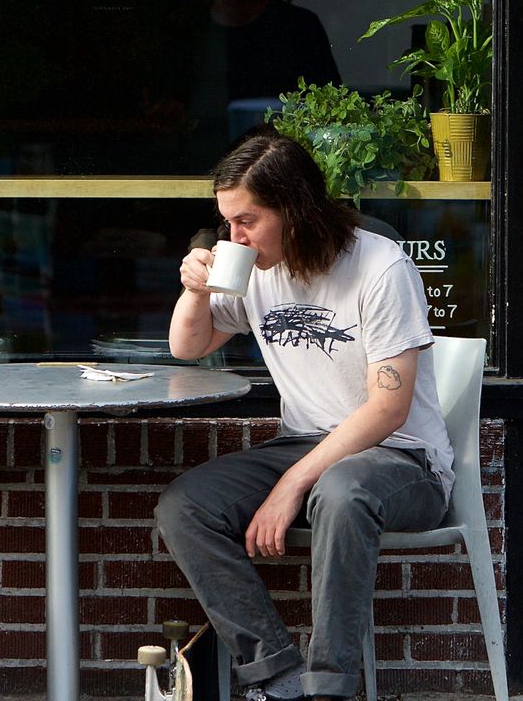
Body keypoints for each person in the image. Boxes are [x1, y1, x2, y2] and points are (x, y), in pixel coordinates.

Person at [155, 132, 453, 701]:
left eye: (247, 221)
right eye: (227, 224)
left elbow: (388, 409)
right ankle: (276, 676)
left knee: (341, 492)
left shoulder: (379, 264)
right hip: (306, 442)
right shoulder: (254, 267)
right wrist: (195, 288)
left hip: (402, 458)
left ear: (294, 210)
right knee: (186, 505)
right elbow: (187, 347)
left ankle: (329, 689)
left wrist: (293, 483)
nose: (233, 237)